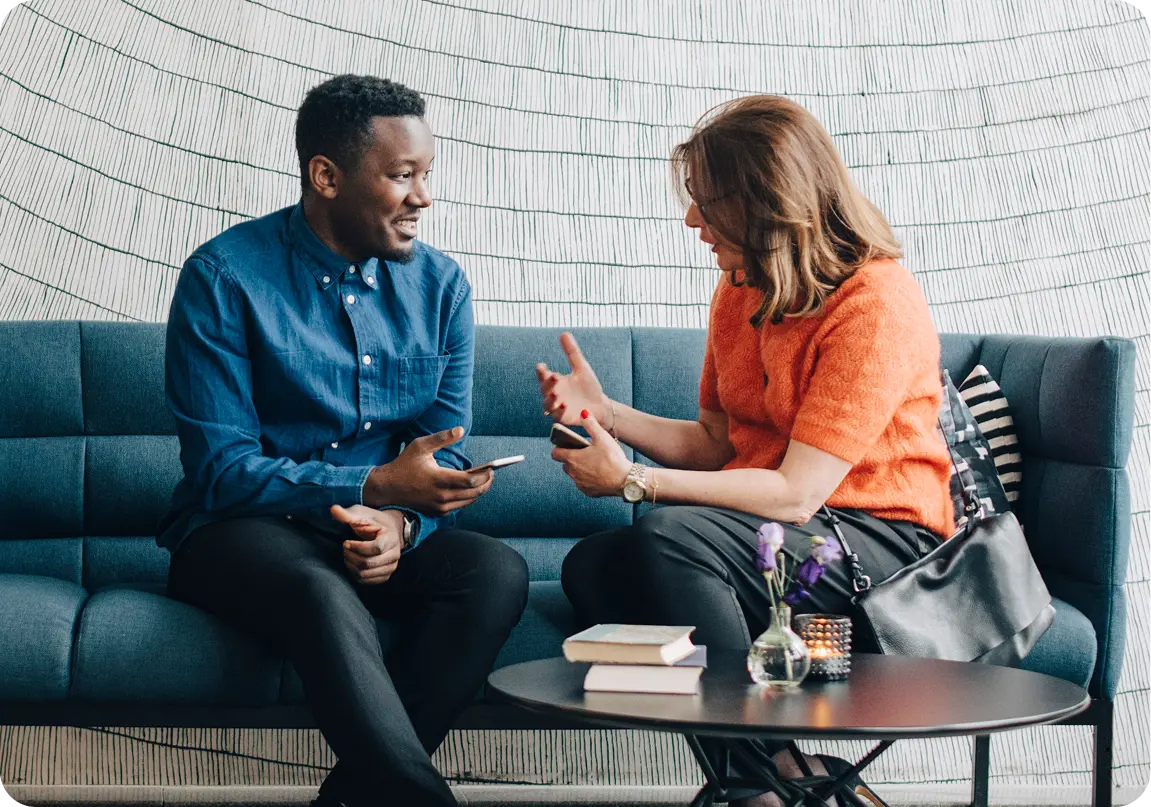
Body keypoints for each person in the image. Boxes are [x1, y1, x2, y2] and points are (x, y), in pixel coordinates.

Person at [539, 95, 952, 806]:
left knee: (664, 536)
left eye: (709, 202)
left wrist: (634, 481)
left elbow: (795, 492)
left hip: (880, 541)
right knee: (596, 567)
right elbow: (715, 445)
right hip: (779, 531)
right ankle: (775, 774)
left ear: (769, 201)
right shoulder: (740, 290)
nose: (692, 221)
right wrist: (609, 414)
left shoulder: (874, 304)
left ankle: (755, 785)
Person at [159, 75, 529, 807]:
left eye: (427, 175)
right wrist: (373, 488)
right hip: (240, 533)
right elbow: (222, 471)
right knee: (318, 589)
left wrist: (401, 519)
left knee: (494, 573)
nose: (423, 197)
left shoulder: (443, 287)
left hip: (375, 533)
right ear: (325, 175)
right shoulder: (222, 278)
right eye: (401, 175)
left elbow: (442, 450)